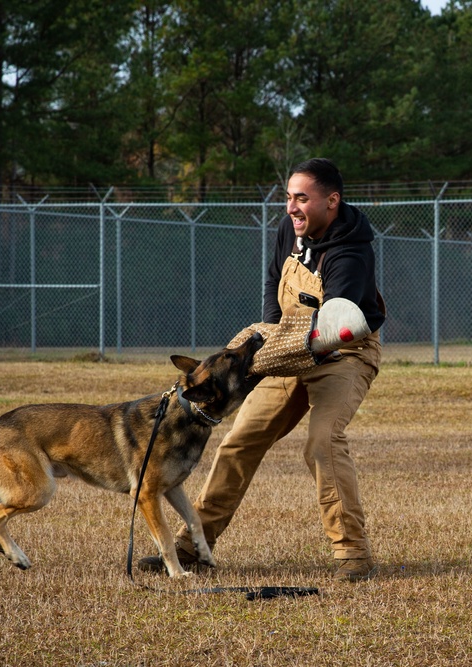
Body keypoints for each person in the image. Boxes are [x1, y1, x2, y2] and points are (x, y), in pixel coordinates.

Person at [140, 157, 385, 582]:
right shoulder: (289, 230)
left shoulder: (351, 253)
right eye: (288, 197)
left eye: (301, 198)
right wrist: (268, 337)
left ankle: (353, 555)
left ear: (332, 201)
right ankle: (193, 546)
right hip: (288, 344)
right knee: (240, 441)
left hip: (342, 354)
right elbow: (275, 289)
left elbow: (331, 328)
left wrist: (261, 357)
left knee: (323, 441)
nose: (291, 208)